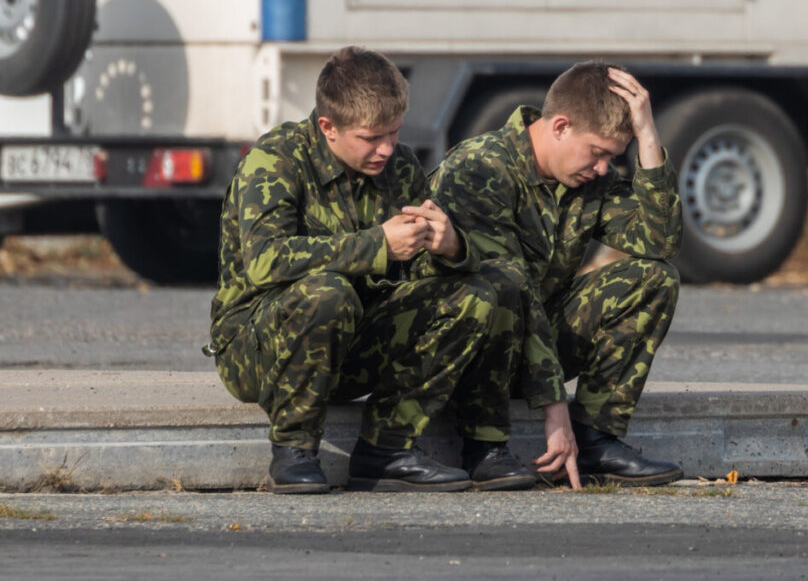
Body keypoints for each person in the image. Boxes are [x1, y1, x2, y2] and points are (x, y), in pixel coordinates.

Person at [205, 47, 533, 493]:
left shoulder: (397, 168)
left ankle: (387, 450)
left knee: (479, 290)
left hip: (352, 337)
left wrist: (451, 247)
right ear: (328, 127)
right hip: (259, 347)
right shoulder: (276, 161)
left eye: (394, 133)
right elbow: (265, 262)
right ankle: (293, 449)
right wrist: (377, 244)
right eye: (371, 138)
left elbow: (418, 277)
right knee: (327, 292)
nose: (386, 149)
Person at [429, 62, 684, 488]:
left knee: (653, 278)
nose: (603, 168)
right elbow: (511, 288)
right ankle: (484, 447)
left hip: (531, 347)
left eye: (612, 157)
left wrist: (648, 136)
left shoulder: (589, 182)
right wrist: (555, 407)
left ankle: (598, 440)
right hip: (463, 353)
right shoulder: (481, 169)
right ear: (561, 126)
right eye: (598, 152)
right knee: (500, 289)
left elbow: (660, 242)